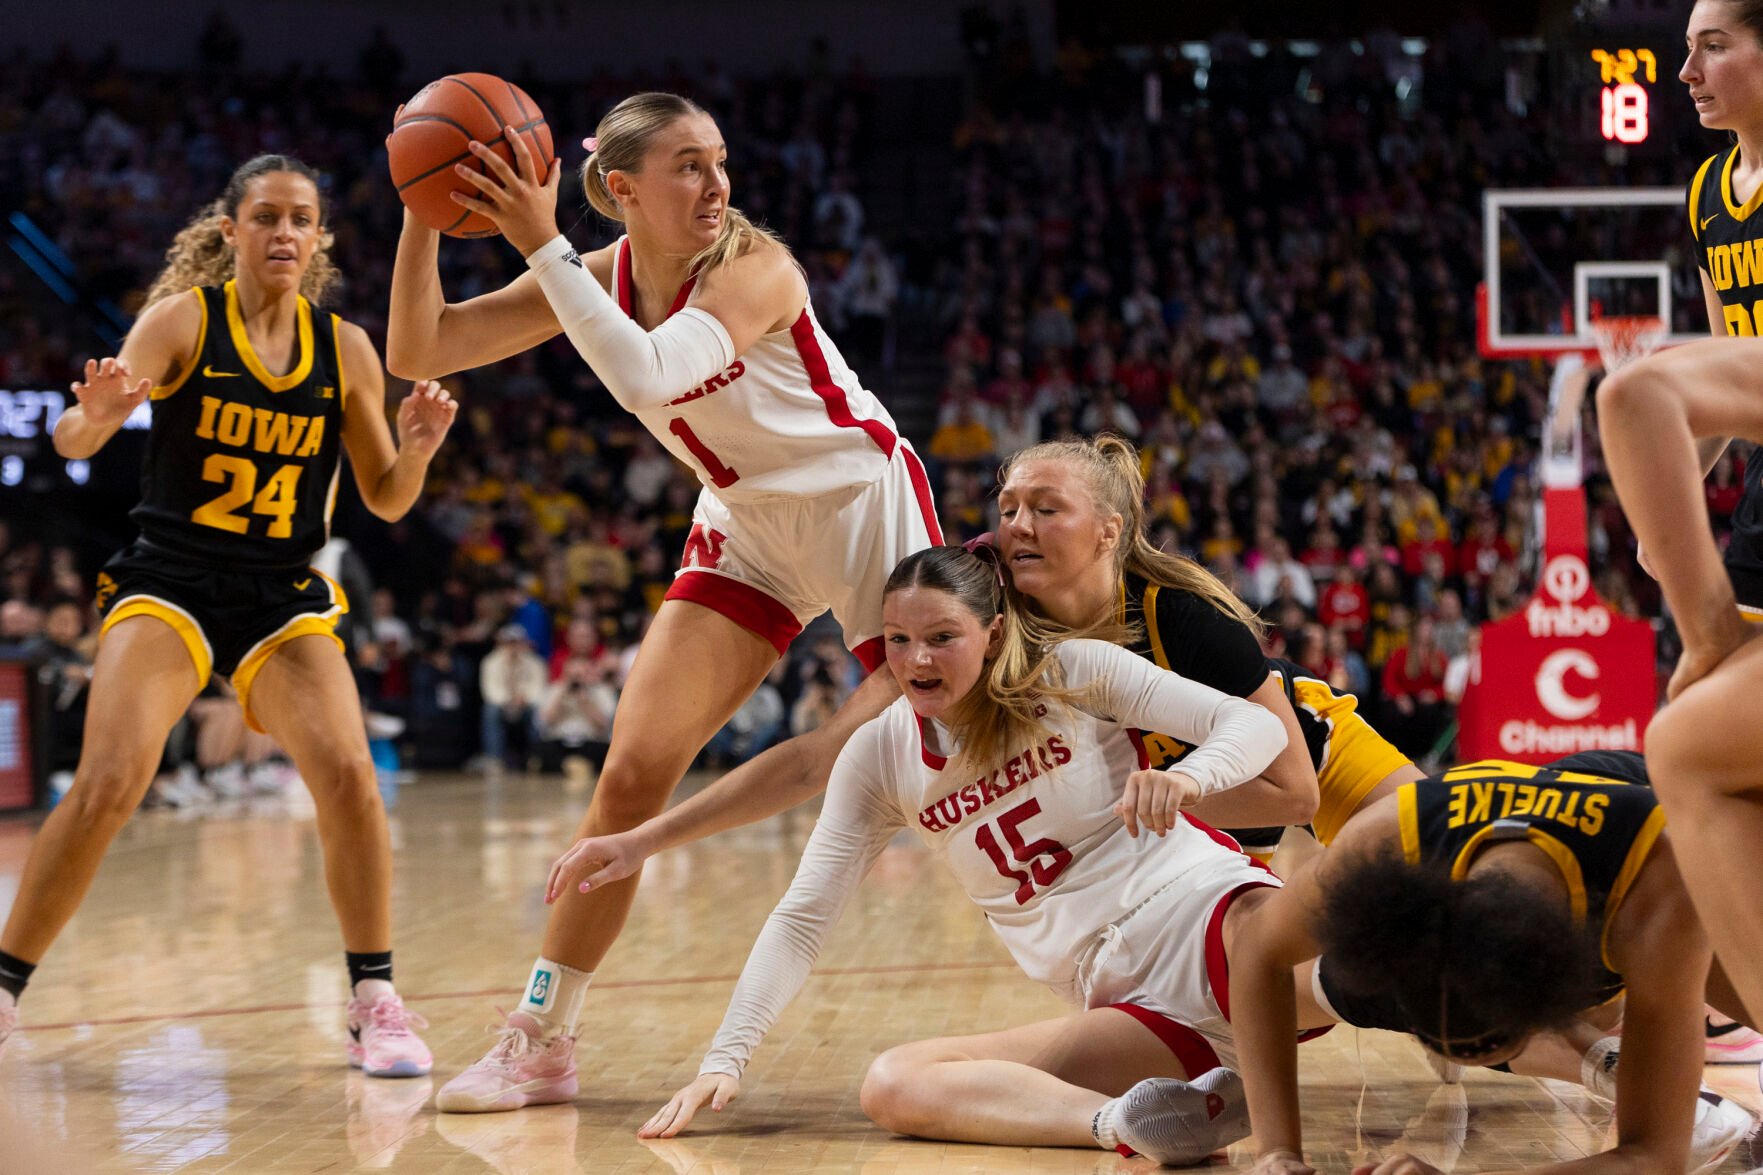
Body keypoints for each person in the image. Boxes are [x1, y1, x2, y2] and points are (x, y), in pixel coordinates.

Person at [386, 91, 940, 1110]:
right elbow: (421, 350)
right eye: (687, 165)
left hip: (863, 508)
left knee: (939, 776)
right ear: (620, 189)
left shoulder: (757, 268)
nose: (716, 184)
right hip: (747, 519)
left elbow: (647, 376)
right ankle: (543, 1034)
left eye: (719, 160)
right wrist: (423, 211)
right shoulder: (601, 272)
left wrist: (538, 239)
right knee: (633, 769)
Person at [550, 545, 1315, 1162]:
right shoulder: (877, 756)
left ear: (991, 631)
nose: (916, 659)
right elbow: (803, 915)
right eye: (897, 640)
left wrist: (1186, 777)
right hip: (1123, 1002)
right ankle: (1137, 1122)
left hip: (1203, 915)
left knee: (1375, 972)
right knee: (895, 1083)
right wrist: (725, 1057)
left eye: (941, 636)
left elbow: (1254, 729)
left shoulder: (1074, 672)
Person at [0, 155, 455, 1075]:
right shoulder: (182, 320)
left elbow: (388, 498)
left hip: (281, 594)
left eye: (301, 218)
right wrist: (92, 417)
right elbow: (74, 436)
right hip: (169, 580)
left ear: (319, 237)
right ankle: (5, 988)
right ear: (230, 232)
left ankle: (374, 999)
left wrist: (416, 449)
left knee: (349, 776)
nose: (284, 232)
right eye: (266, 217)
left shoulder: (348, 349)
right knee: (110, 781)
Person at [1229, 751, 1758, 1175]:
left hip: (1667, 818)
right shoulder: (1387, 836)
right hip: (1533, 819)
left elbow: (1655, 1156)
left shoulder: (1660, 892)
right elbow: (1258, 948)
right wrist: (1276, 1152)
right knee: (1332, 983)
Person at [1609, 0, 1763, 1063]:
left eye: (1712, 44)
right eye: (1685, 47)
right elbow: (1725, 353)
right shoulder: (1711, 186)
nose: (1686, 69)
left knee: (1698, 741)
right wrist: (1668, 494)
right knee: (1706, 757)